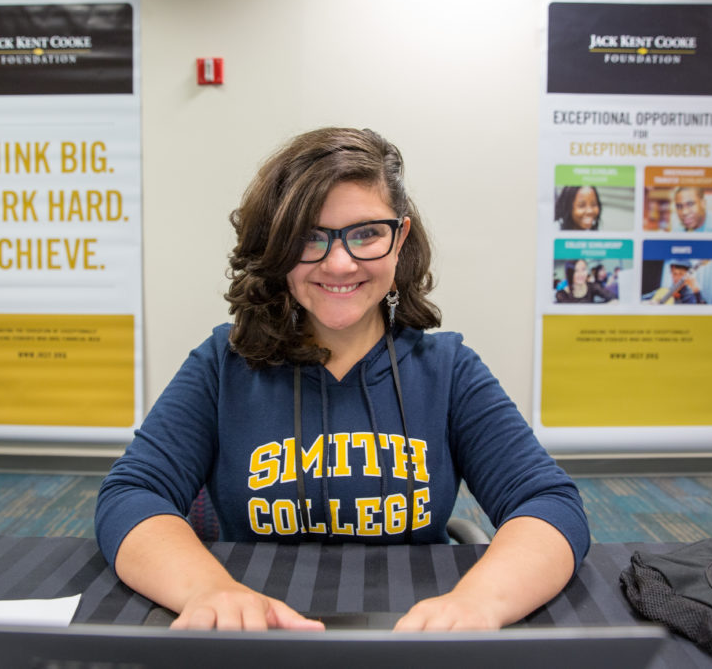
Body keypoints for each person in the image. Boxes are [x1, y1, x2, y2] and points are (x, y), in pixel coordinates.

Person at [95, 127, 589, 632]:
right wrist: (207, 589)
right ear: (278, 248)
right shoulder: (223, 364)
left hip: (411, 635)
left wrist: (482, 601)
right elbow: (133, 494)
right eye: (310, 237)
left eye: (366, 233)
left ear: (400, 238)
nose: (339, 262)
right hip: (257, 633)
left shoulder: (448, 369)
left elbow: (547, 503)